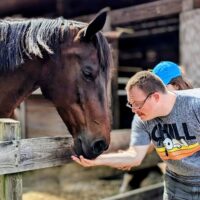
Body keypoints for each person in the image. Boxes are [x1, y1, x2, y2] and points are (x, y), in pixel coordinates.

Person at [72, 61, 198, 199]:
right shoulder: (143, 117)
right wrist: (98, 159)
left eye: (162, 86)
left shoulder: (193, 106)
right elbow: (135, 155)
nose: (134, 110)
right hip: (177, 182)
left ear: (176, 85)